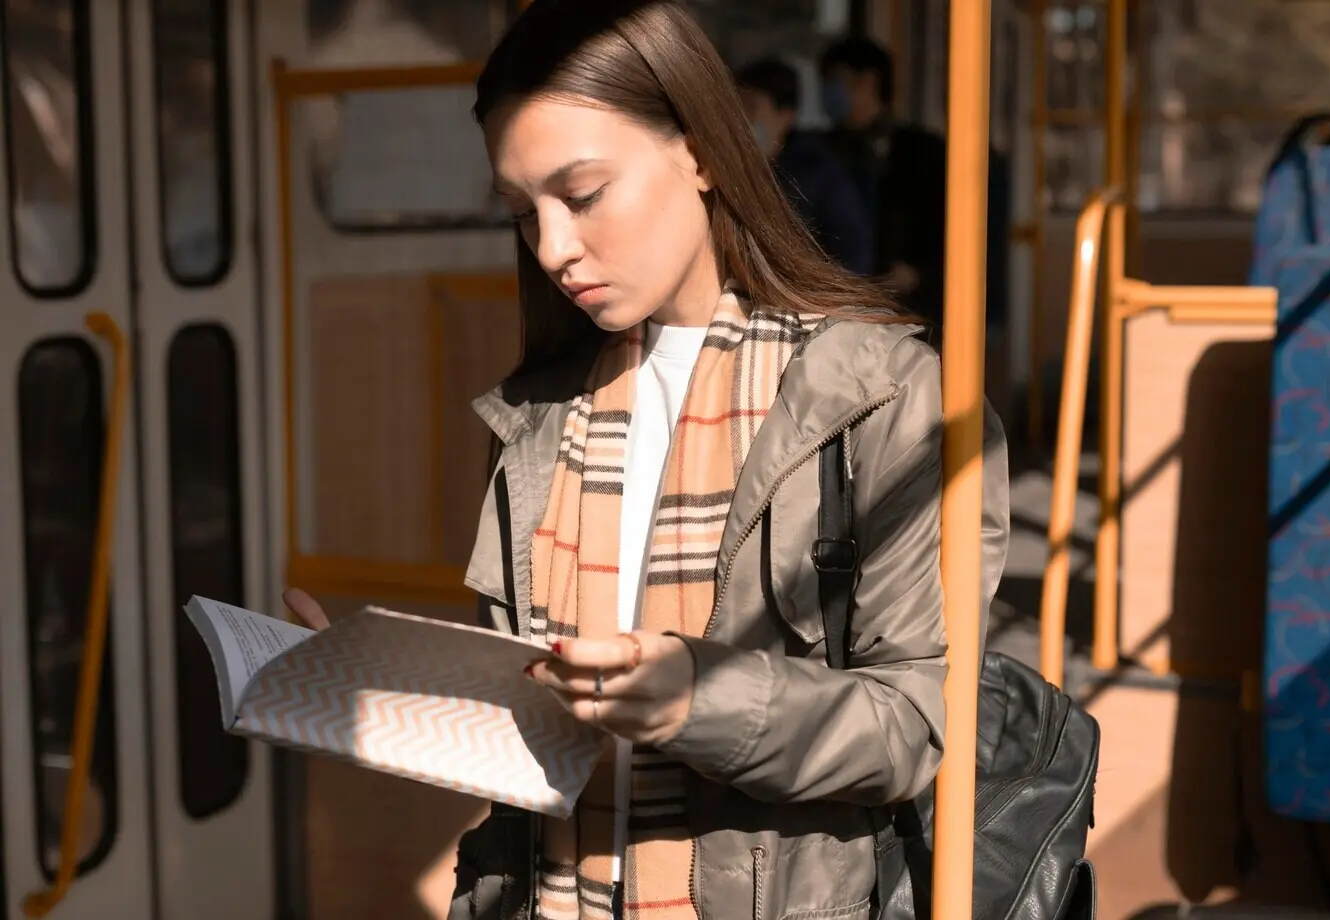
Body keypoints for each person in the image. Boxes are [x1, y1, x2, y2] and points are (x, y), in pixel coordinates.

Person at [285, 0, 1011, 917]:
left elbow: (912, 726)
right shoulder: (536, 415)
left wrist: (697, 699)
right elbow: (539, 713)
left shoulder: (878, 395)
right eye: (523, 213)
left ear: (700, 152)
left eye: (584, 195)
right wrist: (383, 692)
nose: (553, 248)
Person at [817, 36, 1011, 328]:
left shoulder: (925, 153)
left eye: (836, 79)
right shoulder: (819, 152)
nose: (828, 92)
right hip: (840, 302)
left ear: (868, 82)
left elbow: (961, 228)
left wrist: (920, 273)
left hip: (914, 308)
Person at [736, 56, 874, 275]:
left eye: (752, 107)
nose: (742, 118)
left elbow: (853, 253)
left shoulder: (818, 172)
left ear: (785, 115)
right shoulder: (730, 166)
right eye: (737, 106)